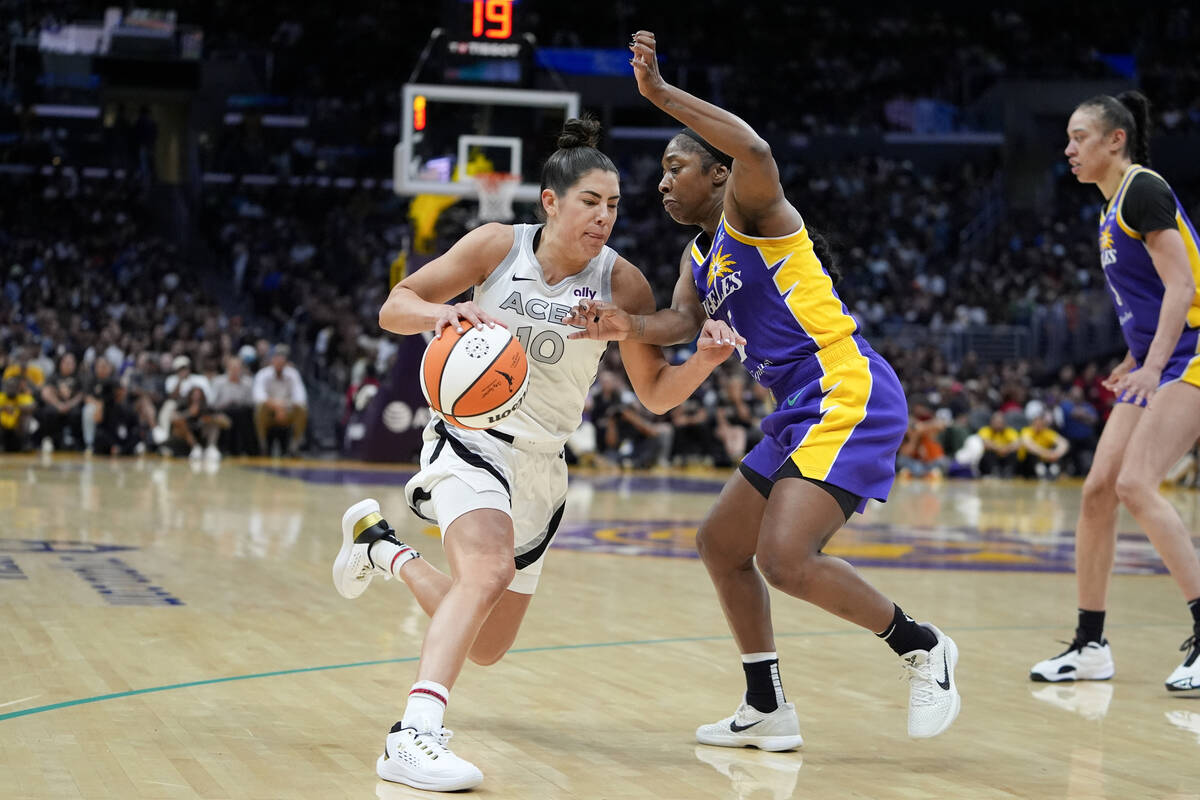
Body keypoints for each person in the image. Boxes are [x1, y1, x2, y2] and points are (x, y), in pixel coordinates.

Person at [566, 31, 961, 746]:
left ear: (718, 176)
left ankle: (923, 646)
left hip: (846, 385)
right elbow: (681, 321)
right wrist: (621, 323)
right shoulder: (698, 254)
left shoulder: (759, 217)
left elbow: (757, 152)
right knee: (721, 544)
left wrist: (659, 94)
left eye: (675, 166)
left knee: (785, 559)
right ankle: (767, 705)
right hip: (797, 407)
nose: (661, 182)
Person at [330, 117, 737, 792]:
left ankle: (382, 550)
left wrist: (707, 360)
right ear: (551, 202)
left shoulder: (623, 285)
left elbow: (658, 395)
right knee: (484, 572)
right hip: (471, 442)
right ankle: (412, 736)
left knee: (487, 645)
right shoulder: (496, 246)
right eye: (590, 202)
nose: (603, 217)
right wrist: (443, 316)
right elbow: (394, 306)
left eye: (613, 206)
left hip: (544, 470)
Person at [1030, 92, 1200, 692]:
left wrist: (1152, 369)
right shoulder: (1109, 210)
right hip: (1163, 354)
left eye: (1079, 137)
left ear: (1115, 141)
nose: (1069, 149)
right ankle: (1091, 644)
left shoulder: (1142, 189)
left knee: (1134, 483)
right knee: (1099, 490)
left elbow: (1182, 289)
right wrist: (1135, 358)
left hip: (1194, 352)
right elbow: (1152, 304)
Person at [252, 345, 307, 456]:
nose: (279, 363)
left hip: (287, 411)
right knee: (260, 409)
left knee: (302, 410)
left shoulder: (293, 374)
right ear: (272, 360)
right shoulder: (263, 374)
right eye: (277, 359)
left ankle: (294, 447)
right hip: (269, 412)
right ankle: (263, 446)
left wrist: (283, 407)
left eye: (282, 360)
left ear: (286, 362)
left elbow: (301, 398)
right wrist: (277, 407)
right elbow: (258, 397)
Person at [1017, 412, 1070, 479]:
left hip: (1046, 459)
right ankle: (1041, 472)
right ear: (1032, 424)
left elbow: (1064, 443)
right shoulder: (1027, 431)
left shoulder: (1047, 432)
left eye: (1041, 424)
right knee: (1032, 454)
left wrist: (1056, 453)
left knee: (1057, 453)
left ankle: (1053, 472)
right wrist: (1045, 453)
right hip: (1028, 461)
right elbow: (1028, 444)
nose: (1038, 426)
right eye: (1036, 424)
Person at [976, 411, 1020, 477]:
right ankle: (994, 471)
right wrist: (1000, 449)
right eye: (996, 423)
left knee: (1014, 453)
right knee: (988, 452)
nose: (998, 425)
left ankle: (1008, 472)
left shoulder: (1010, 431)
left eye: (1000, 423)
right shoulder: (985, 430)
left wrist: (1005, 449)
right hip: (992, 458)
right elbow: (986, 443)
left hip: (1005, 456)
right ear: (991, 423)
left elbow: (1017, 443)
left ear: (1004, 423)